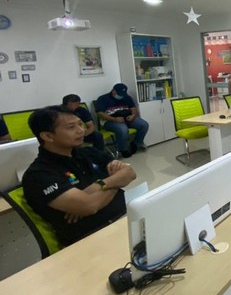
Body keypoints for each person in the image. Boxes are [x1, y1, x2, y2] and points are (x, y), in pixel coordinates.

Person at [22, 105, 136, 246]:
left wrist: (99, 186)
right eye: (71, 127)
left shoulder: (88, 153)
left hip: (127, 216)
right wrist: (115, 181)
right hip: (93, 237)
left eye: (80, 124)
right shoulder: (38, 174)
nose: (81, 130)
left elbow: (130, 173)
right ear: (48, 136)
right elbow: (89, 206)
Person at [95, 83, 149, 158]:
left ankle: (136, 143)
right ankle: (123, 149)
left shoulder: (127, 97)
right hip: (110, 121)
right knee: (123, 129)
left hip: (127, 118)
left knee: (144, 125)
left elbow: (133, 108)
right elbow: (100, 113)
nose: (121, 96)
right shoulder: (103, 99)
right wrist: (115, 119)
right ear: (113, 91)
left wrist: (133, 115)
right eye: (119, 94)